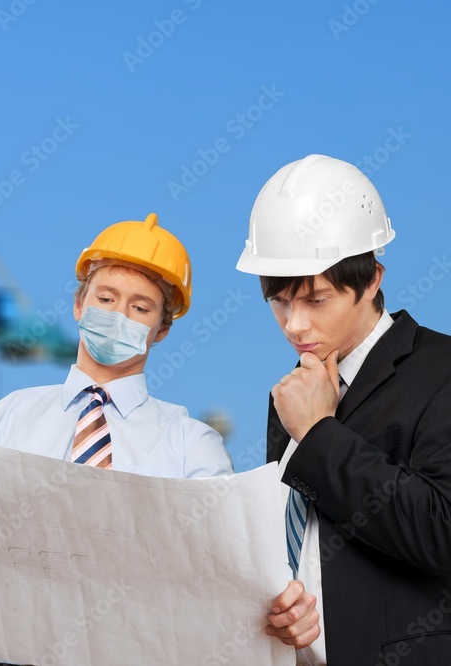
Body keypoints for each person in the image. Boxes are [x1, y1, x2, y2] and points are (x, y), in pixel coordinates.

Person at [0, 213, 288, 663]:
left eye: (140, 308)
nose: (118, 316)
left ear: (162, 330)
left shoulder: (193, 447)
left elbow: (229, 570)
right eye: (106, 298)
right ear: (79, 304)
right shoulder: (0, 421)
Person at [236, 153, 451, 665]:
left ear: (373, 279)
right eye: (280, 302)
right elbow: (297, 539)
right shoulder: (288, 394)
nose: (294, 326)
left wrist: (317, 433)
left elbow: (442, 530)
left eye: (315, 301)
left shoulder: (441, 370)